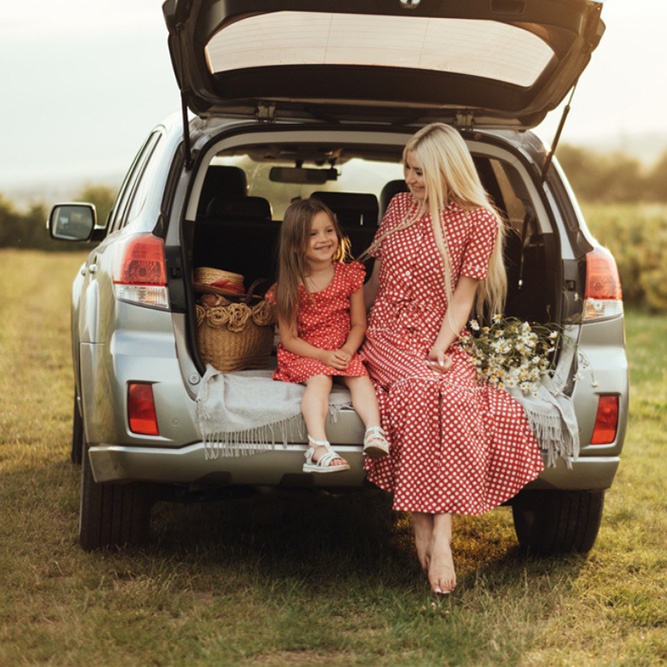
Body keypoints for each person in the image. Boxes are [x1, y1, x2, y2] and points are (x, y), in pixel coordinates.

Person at [361, 123, 544, 594]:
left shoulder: (480, 221)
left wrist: (441, 347)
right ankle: (426, 527)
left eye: (421, 171)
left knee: (456, 394)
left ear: (447, 170)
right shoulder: (400, 206)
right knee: (423, 388)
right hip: (386, 332)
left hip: (441, 334)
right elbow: (376, 281)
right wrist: (346, 327)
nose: (410, 180)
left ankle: (439, 531)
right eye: (407, 168)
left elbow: (463, 300)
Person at [267, 197, 390, 473]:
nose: (323, 239)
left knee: (360, 376)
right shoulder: (290, 285)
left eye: (328, 230)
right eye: (312, 234)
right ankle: (318, 446)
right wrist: (323, 356)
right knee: (320, 380)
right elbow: (288, 339)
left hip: (341, 348)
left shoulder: (349, 275)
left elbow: (359, 324)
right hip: (306, 352)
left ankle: (373, 431)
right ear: (296, 244)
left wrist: (347, 350)